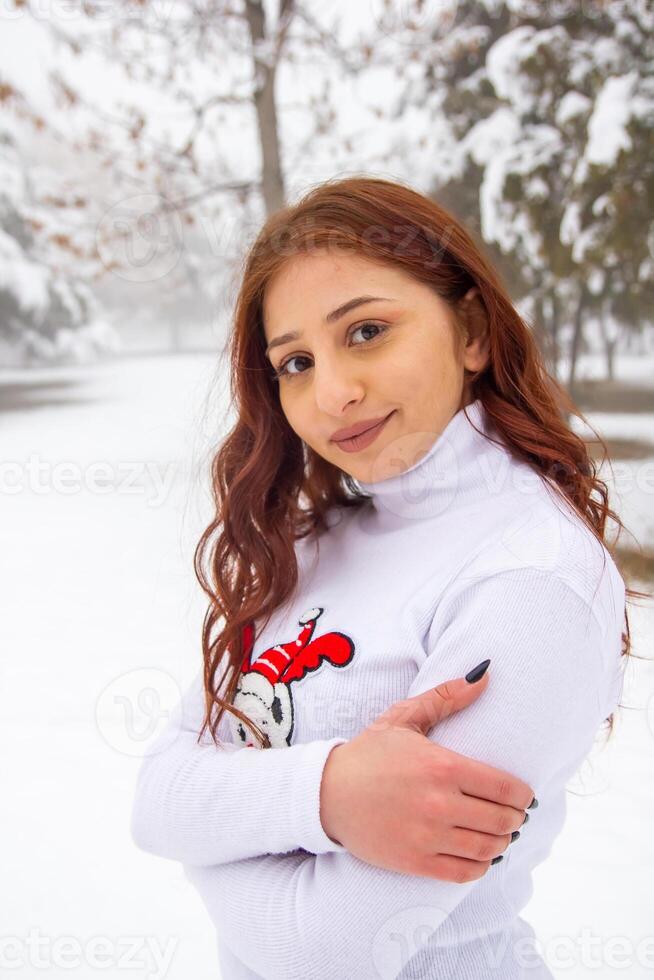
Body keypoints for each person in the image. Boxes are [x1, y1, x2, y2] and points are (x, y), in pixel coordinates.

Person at [130, 176, 637, 979]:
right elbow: (156, 801)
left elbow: (329, 949)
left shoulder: (532, 578)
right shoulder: (311, 541)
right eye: (295, 361)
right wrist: (328, 793)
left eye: (366, 331)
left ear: (470, 330)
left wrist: (222, 829)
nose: (332, 393)